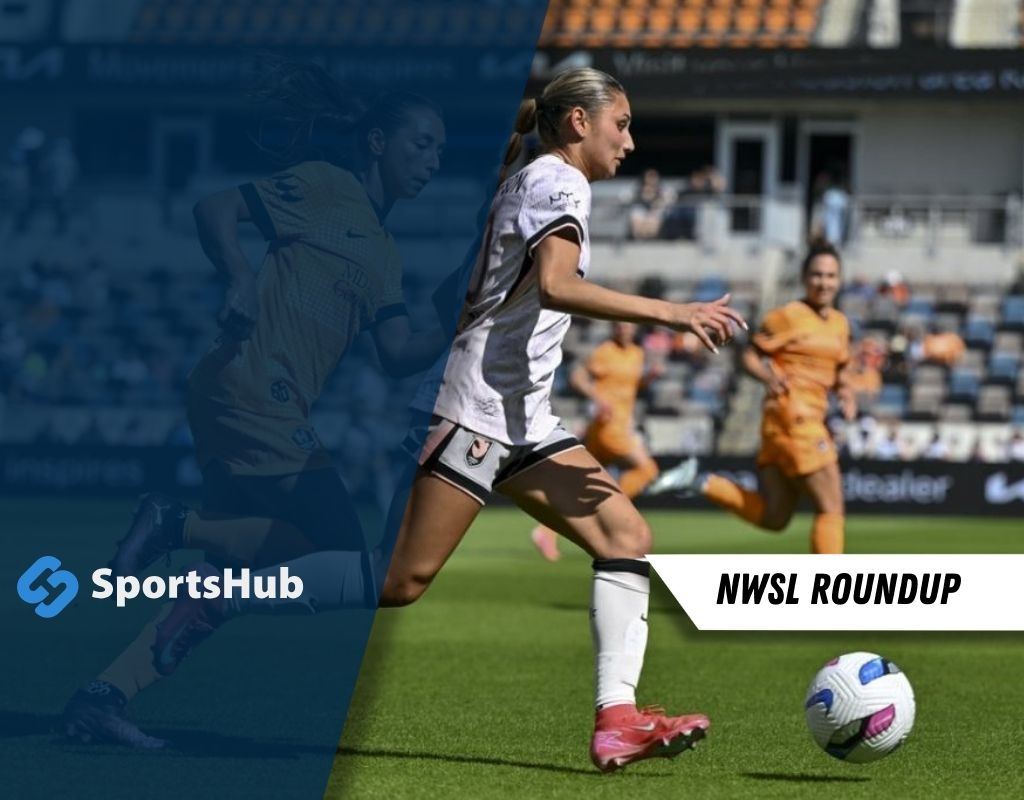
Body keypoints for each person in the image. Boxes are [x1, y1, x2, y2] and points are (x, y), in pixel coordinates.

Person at [142, 67, 747, 773]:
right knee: (396, 580)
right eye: (623, 124)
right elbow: (557, 285)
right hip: (471, 410)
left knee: (626, 535)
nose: (631, 142)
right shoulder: (559, 182)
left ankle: (617, 721)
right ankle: (219, 599)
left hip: (519, 414)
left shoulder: (535, 176)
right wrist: (674, 312)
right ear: (579, 122)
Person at [62, 61, 448, 748]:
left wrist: (462, 315)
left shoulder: (385, 253)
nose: (434, 161)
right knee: (339, 548)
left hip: (259, 402)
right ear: (377, 142)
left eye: (441, 150)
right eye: (422, 144)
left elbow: (397, 353)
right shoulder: (327, 186)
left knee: (243, 571)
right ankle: (177, 523)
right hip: (249, 387)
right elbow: (215, 208)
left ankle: (105, 696)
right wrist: (238, 275)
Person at [649, 240, 854, 555]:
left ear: (839, 280)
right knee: (831, 507)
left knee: (775, 516)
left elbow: (840, 368)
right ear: (804, 278)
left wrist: (846, 393)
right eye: (817, 275)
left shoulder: (840, 323)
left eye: (830, 276)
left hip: (787, 425)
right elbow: (749, 356)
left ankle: (703, 482)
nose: (823, 283)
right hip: (795, 416)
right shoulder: (788, 316)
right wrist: (767, 376)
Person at [530, 320, 665, 562]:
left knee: (582, 487)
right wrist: (597, 398)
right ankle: (609, 507)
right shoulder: (605, 352)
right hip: (609, 427)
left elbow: (632, 384)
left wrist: (649, 378)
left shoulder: (636, 353)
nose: (624, 329)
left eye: (628, 326)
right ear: (614, 328)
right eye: (620, 326)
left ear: (634, 329)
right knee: (648, 469)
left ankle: (546, 531)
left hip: (614, 427)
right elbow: (577, 377)